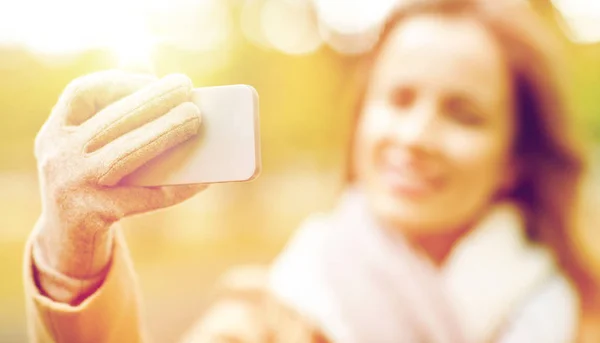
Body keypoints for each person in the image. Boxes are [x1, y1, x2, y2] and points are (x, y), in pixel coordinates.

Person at [24, 0, 598, 342]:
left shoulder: (573, 313)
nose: (415, 136)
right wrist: (72, 262)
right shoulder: (278, 307)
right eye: (398, 99)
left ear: (514, 161)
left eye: (463, 114)